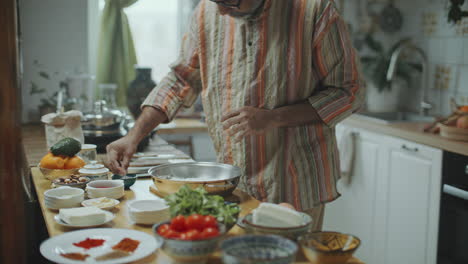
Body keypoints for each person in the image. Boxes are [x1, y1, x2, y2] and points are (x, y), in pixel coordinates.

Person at [107, 0, 365, 231]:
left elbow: (349, 92)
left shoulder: (315, 11)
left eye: (229, 1)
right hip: (234, 187)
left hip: (295, 183)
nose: (220, 10)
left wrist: (273, 118)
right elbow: (180, 80)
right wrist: (133, 136)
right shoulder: (206, 13)